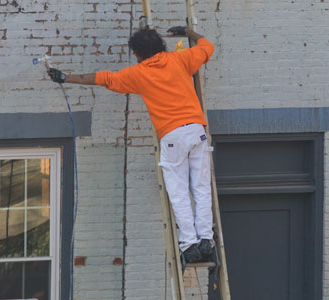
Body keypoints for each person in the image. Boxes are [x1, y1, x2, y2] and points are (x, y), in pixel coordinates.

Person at [48, 26, 215, 264]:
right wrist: (188, 32)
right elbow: (207, 46)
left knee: (178, 192)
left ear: (138, 54)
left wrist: (66, 77)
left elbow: (105, 79)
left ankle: (190, 244)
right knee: (200, 187)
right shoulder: (181, 59)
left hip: (172, 136)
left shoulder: (139, 74)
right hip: (197, 130)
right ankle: (207, 240)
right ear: (161, 45)